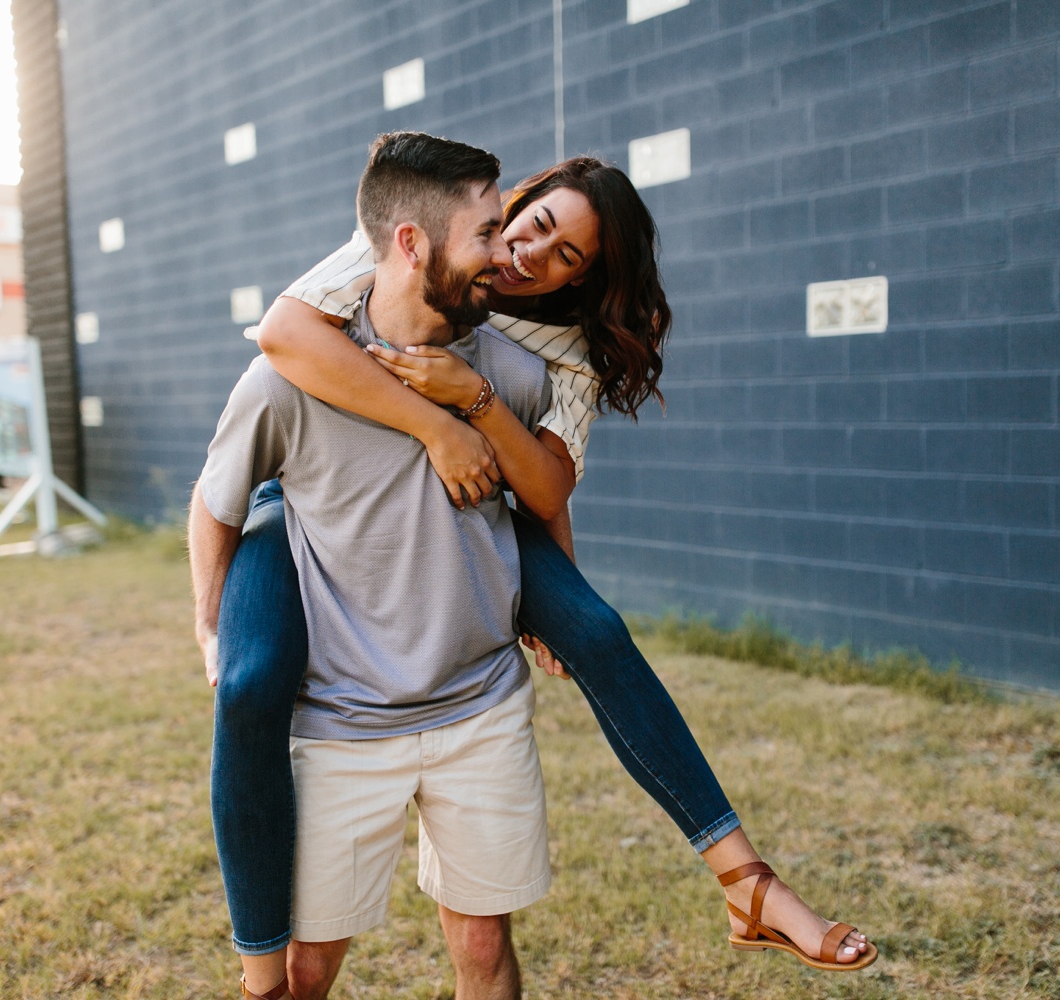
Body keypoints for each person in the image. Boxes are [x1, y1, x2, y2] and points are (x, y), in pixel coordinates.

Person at [205, 145, 877, 995]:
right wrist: (436, 425)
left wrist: (549, 588)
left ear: (583, 280)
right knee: (249, 679)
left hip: (485, 493)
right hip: (298, 495)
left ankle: (749, 883)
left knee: (595, 628)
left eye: (567, 258)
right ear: (515, 204)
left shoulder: (564, 349)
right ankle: (259, 972)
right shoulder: (420, 243)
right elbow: (283, 335)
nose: (526, 257)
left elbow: (549, 486)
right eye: (531, 227)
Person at [191, 132, 572, 1000]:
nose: (503, 257)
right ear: (411, 243)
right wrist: (211, 627)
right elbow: (215, 503)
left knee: (481, 947)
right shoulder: (284, 384)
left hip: (481, 705)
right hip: (342, 721)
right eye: (484, 234)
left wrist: (559, 612)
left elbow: (548, 506)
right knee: (310, 965)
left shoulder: (510, 380)